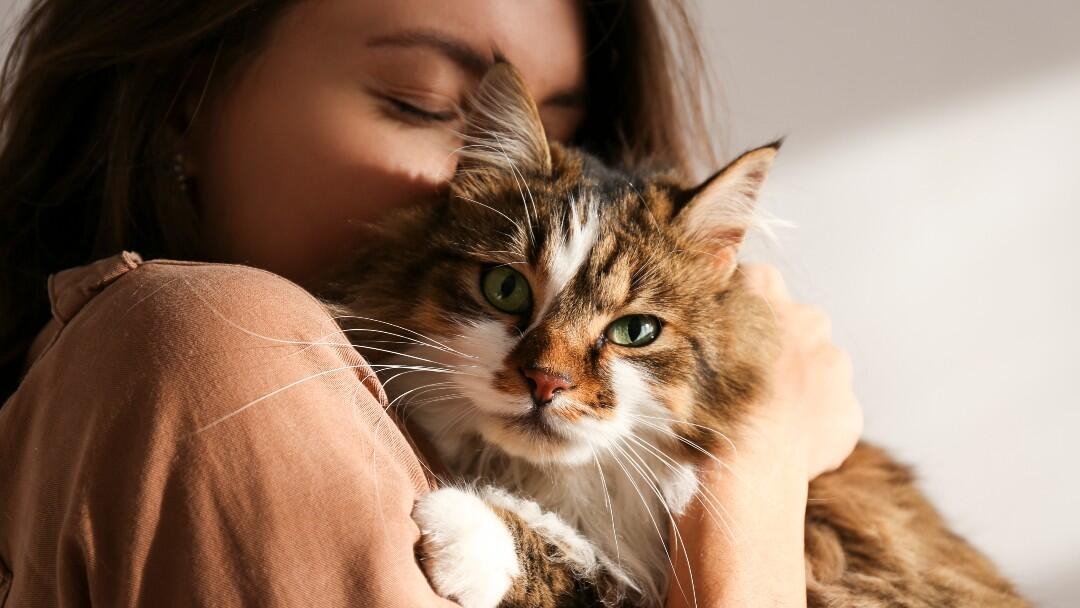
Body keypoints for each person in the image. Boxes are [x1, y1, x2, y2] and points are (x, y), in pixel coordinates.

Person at [0, 0, 862, 606]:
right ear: (181, 103)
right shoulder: (220, 347)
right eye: (426, 104)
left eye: (560, 133)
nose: (484, 183)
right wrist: (757, 468)